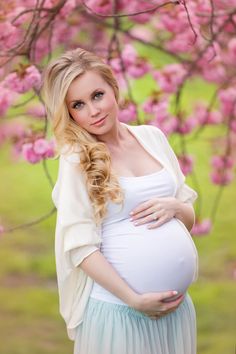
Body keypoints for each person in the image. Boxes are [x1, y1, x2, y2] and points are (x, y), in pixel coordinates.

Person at [42, 47, 199, 354]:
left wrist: (178, 208)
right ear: (69, 112)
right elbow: (80, 246)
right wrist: (133, 299)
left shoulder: (152, 137)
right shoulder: (77, 159)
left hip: (176, 311)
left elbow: (188, 219)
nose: (93, 111)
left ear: (113, 89)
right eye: (78, 104)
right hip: (119, 312)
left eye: (97, 95)